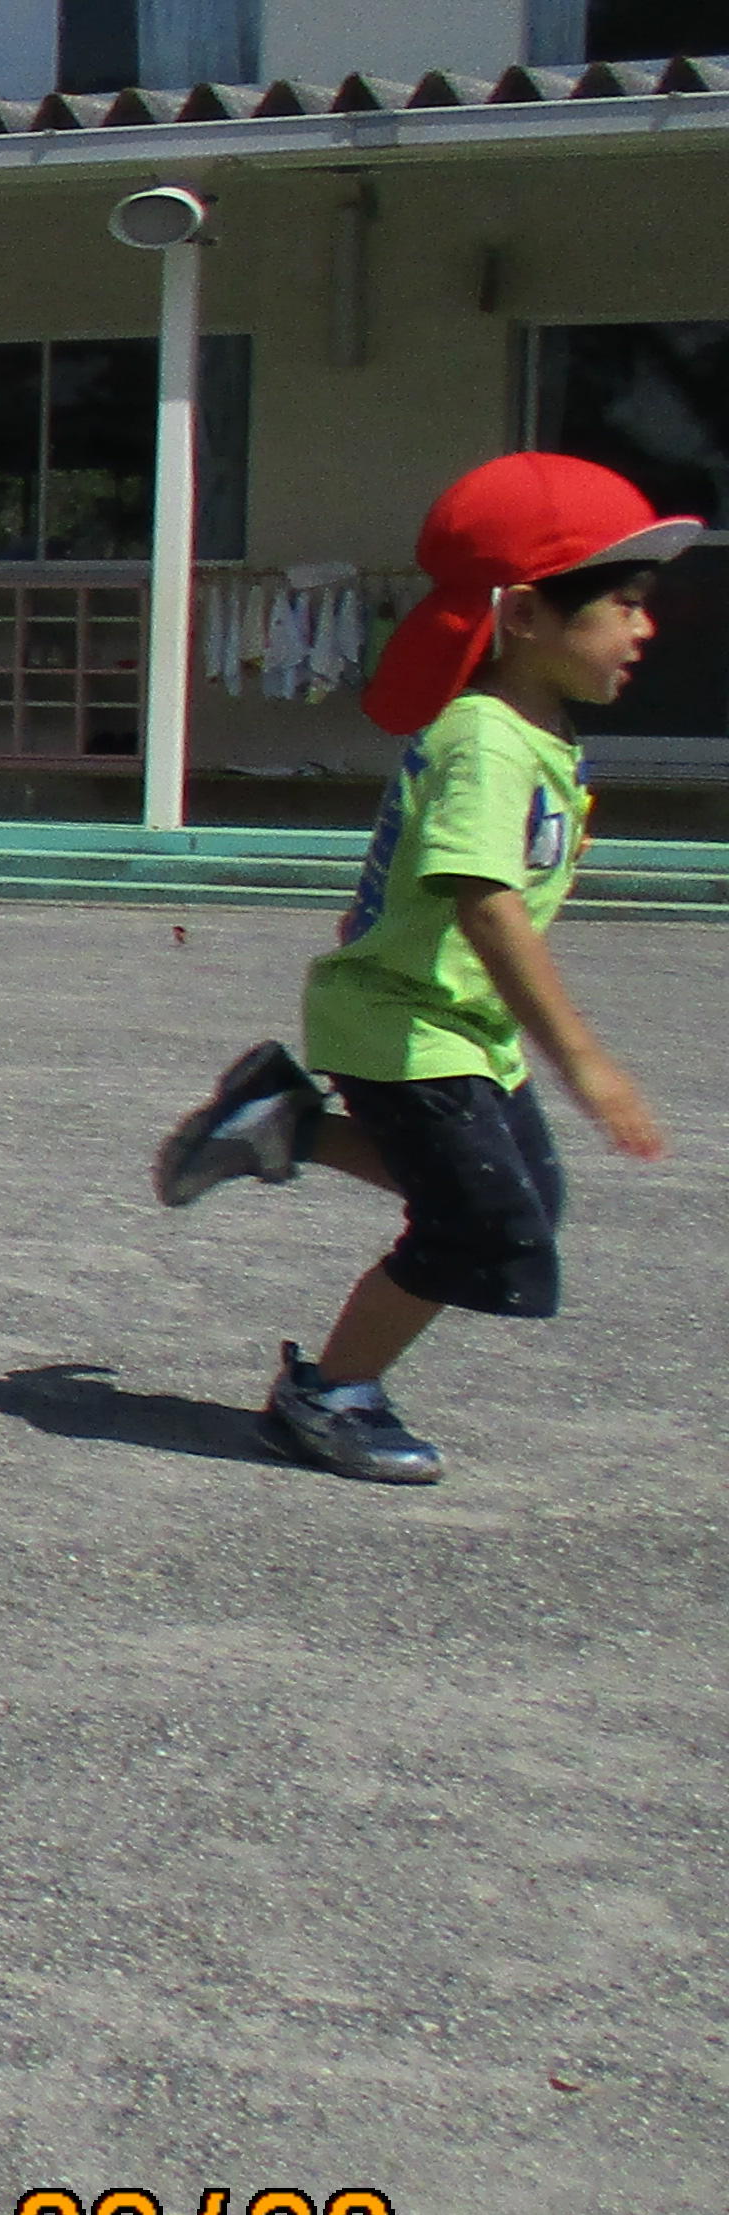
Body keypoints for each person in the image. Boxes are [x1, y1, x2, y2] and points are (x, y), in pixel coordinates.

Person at [152, 454, 690, 1482]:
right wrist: (584, 1062)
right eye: (620, 604)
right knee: (484, 1228)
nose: (641, 629)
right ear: (525, 615)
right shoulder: (485, 741)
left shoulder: (531, 729)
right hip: (405, 1024)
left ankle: (286, 1123)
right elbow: (486, 906)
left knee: (508, 1199)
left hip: (451, 1023)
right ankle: (327, 1395)